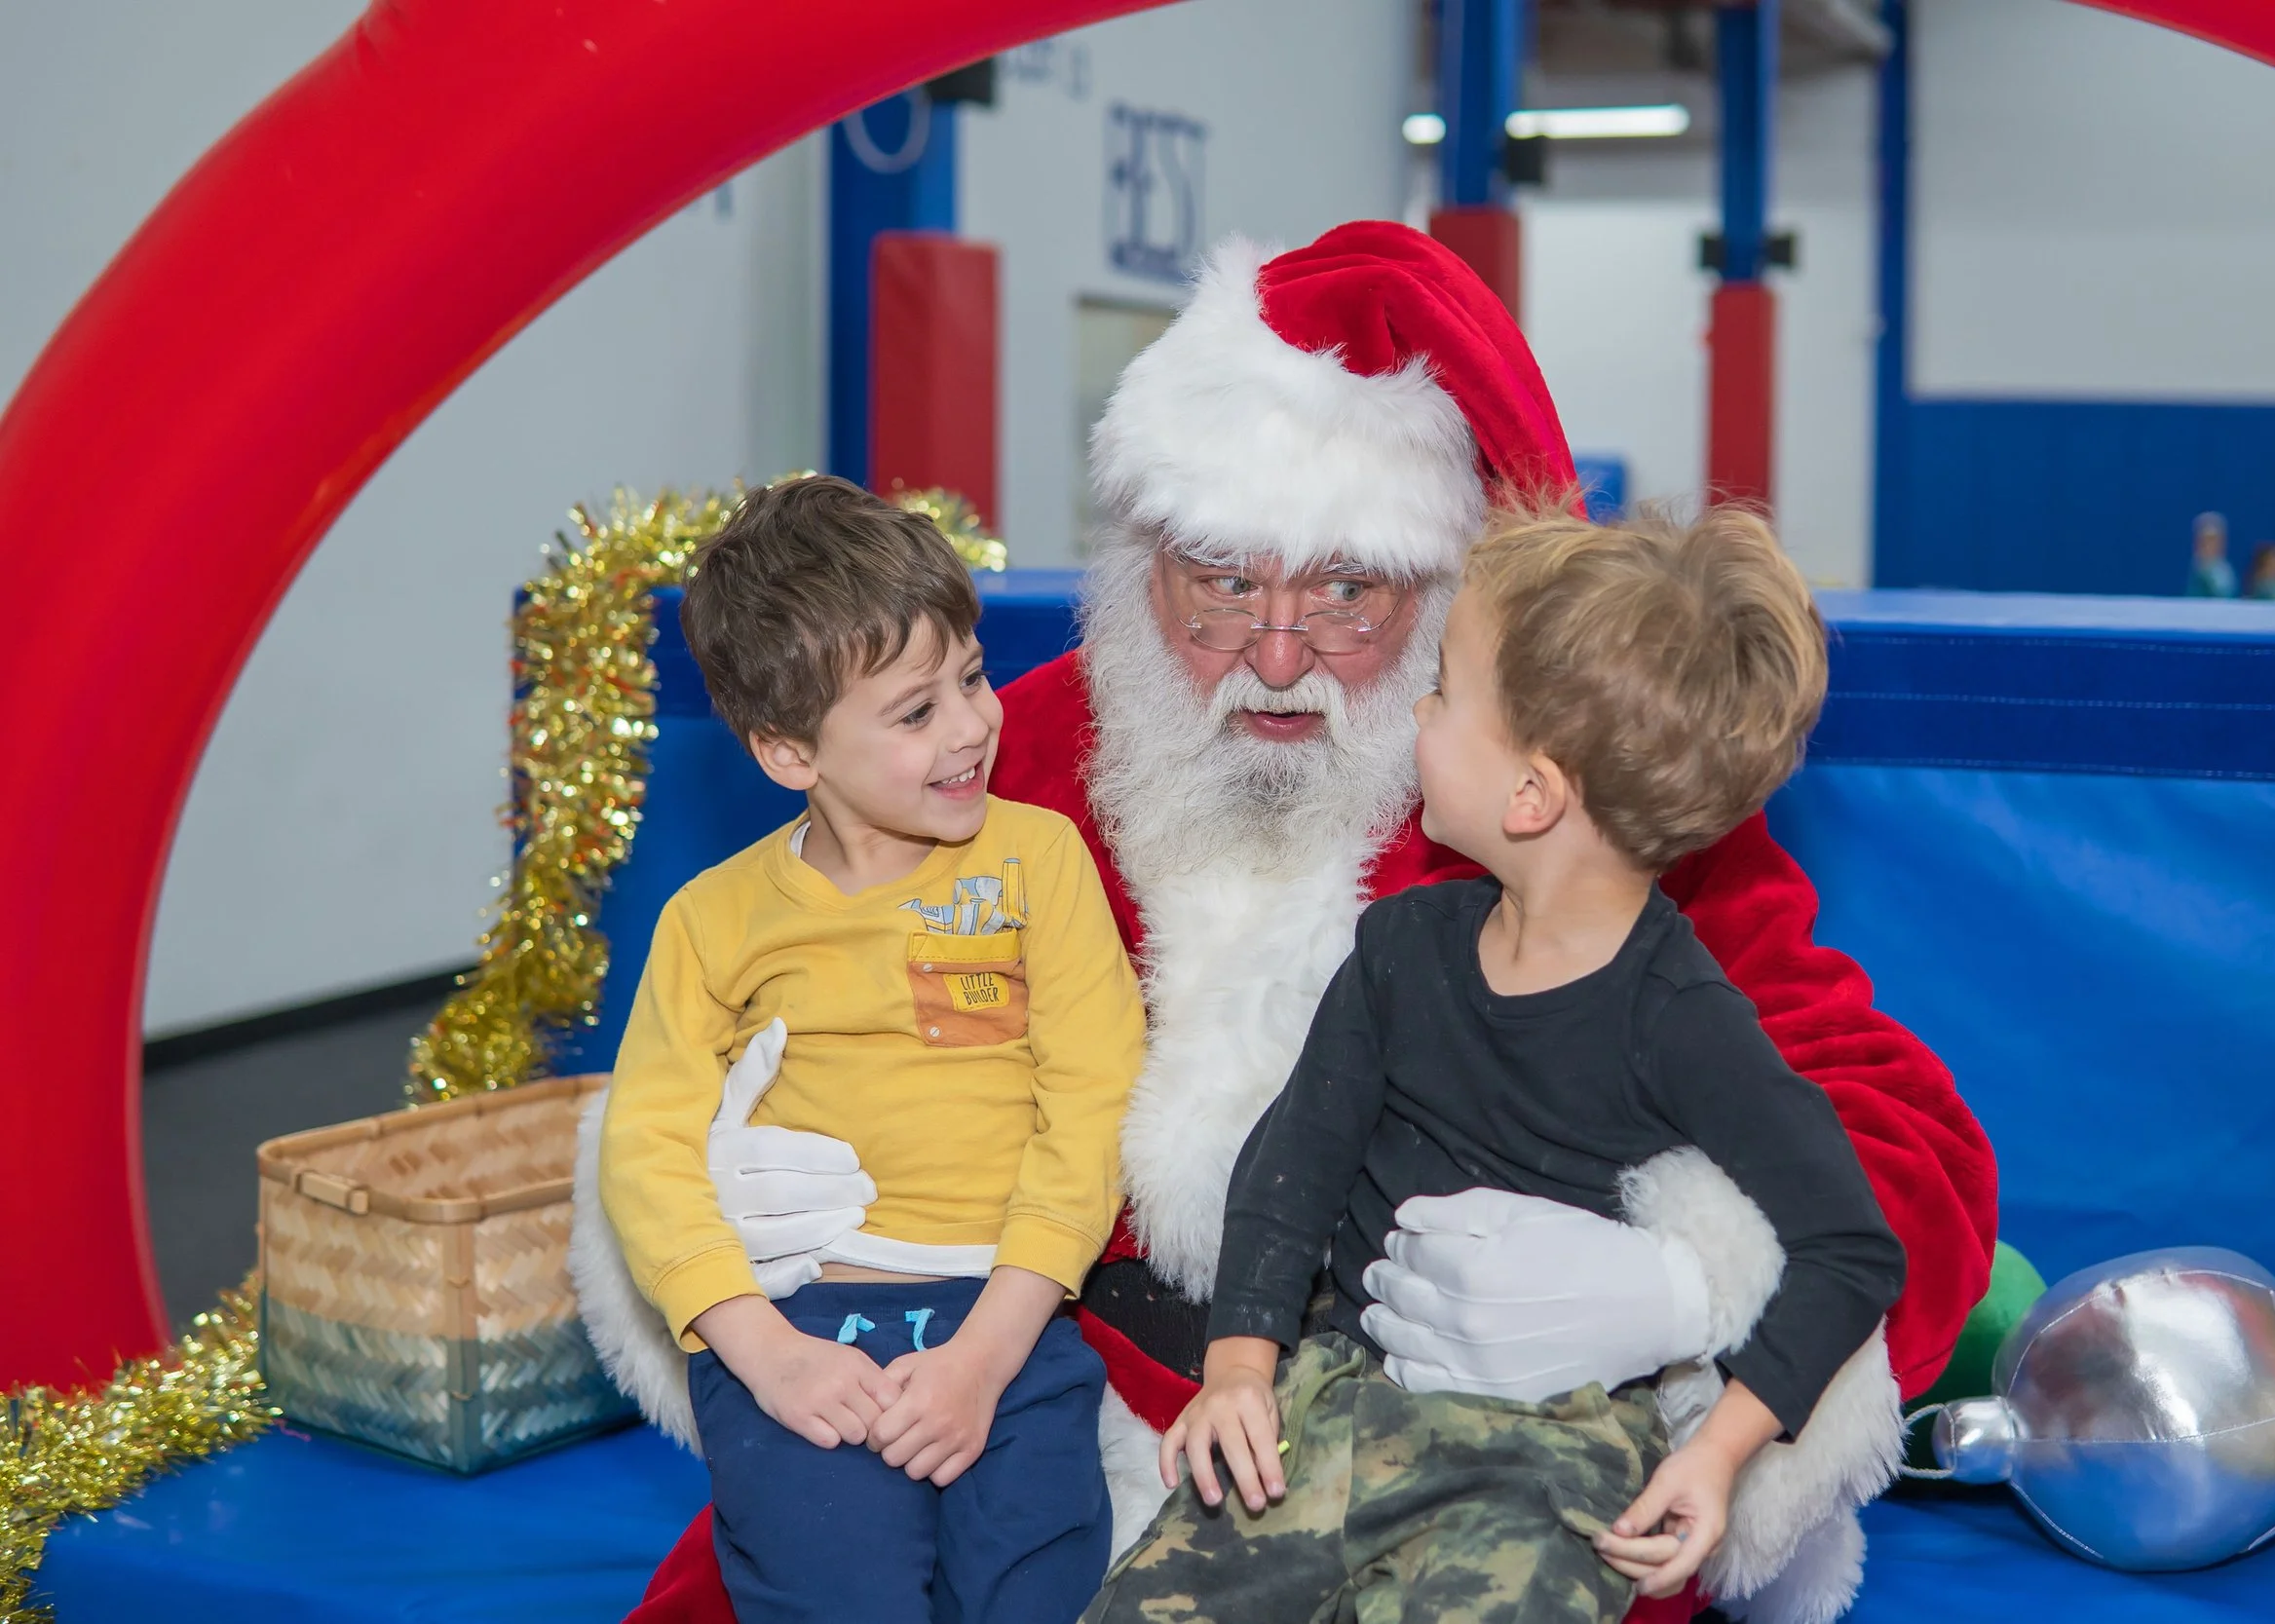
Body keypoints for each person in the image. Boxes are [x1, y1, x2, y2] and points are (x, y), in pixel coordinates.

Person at [584, 222, 1997, 1624]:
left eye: (1346, 592)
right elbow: (729, 1007)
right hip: (1027, 1395)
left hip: (1460, 1431)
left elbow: (1903, 1139)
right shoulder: (994, 758)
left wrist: (1683, 1287)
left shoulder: (1579, 787)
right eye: (1222, 581)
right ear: (1143, 556)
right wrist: (726, 1227)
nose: (1273, 657)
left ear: (1441, 588)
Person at [1089, 506, 1905, 1624]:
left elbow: (1849, 1248)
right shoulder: (1399, 948)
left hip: (1546, 1457)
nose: (1415, 712)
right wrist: (1237, 1363)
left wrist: (1718, 1447)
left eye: (1442, 693)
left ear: (1532, 792)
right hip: (1336, 1398)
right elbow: (1294, 1161)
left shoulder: (1682, 1020)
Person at [596, 475, 1146, 1624]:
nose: (970, 725)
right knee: (831, 1584)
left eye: (972, 677)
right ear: (789, 753)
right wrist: (763, 1349)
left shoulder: (1039, 858)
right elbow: (647, 1147)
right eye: (913, 712)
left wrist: (986, 1353)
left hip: (1007, 1318)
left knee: (1039, 1585)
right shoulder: (712, 917)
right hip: (800, 1328)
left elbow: (1093, 1103)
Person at [2186, 512, 2235, 597]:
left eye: (2212, 540)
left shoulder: (2223, 573)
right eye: (2203, 540)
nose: (2207, 546)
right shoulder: (2196, 568)